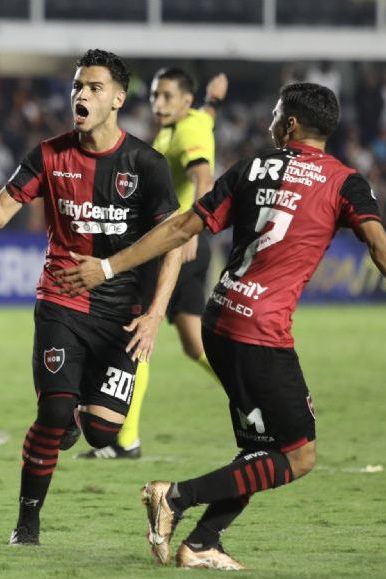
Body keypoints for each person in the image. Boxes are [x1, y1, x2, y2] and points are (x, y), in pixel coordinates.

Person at [55, 82, 386, 570]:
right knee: (299, 456)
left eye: (276, 114)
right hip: (261, 334)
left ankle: (202, 543)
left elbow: (180, 228)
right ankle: (174, 497)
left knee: (259, 450)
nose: (269, 123)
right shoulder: (346, 181)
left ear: (291, 126)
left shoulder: (251, 167)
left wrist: (109, 267)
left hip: (220, 319)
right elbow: (381, 245)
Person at [0, 49, 183, 546]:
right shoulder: (48, 154)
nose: (81, 95)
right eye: (76, 86)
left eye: (93, 87)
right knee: (52, 414)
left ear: (117, 98)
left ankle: (76, 416)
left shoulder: (147, 164)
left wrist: (157, 314)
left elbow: (173, 241)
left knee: (102, 434)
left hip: (122, 316)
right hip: (61, 304)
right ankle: (27, 523)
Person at [79, 68, 228, 459]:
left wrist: (192, 229)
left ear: (184, 101)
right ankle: (256, 396)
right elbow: (206, 122)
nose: (158, 104)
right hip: (184, 252)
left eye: (167, 97)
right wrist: (213, 101)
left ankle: (125, 439)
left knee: (136, 333)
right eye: (155, 96)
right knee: (194, 346)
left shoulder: (187, 132)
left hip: (174, 252)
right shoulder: (190, 122)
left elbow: (204, 179)